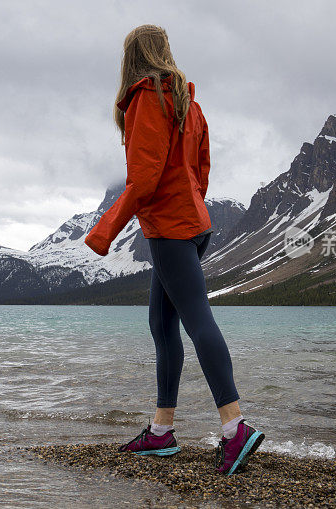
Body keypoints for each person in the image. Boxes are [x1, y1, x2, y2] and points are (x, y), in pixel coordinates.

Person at [84, 24, 264, 476]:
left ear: (132, 60)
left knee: (196, 320)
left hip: (170, 225)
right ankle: (162, 433)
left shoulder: (149, 98)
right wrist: (191, 206)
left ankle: (235, 427)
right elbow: (202, 168)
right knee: (161, 322)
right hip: (193, 222)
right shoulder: (189, 102)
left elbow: (143, 178)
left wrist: (104, 230)